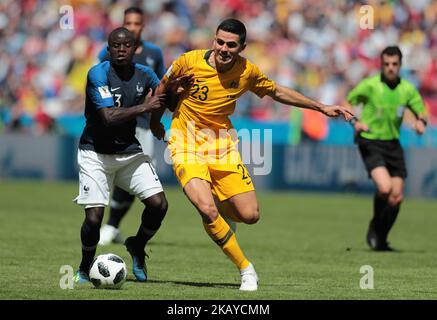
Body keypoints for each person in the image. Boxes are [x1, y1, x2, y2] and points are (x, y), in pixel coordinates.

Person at [151, 18, 354, 291]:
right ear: (214, 40)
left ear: (242, 47)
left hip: (221, 144)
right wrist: (155, 121)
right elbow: (162, 88)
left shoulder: (247, 72)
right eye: (219, 41)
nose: (223, 48)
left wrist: (320, 106)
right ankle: (246, 269)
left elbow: (277, 92)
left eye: (231, 45)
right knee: (207, 209)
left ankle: (219, 213)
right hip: (184, 141)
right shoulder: (188, 61)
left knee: (250, 215)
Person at [72, 27, 189, 283]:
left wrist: (177, 93)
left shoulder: (145, 74)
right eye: (116, 45)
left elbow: (164, 99)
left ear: (135, 48)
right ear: (109, 47)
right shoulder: (98, 74)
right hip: (95, 153)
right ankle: (84, 266)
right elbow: (108, 117)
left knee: (159, 204)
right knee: (94, 218)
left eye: (126, 46)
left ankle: (137, 244)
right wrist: (144, 107)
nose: (121, 50)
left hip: (128, 151)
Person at [346, 46, 427, 251]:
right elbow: (348, 101)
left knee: (397, 196)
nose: (390, 68)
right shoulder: (370, 85)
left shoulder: (407, 89)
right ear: (381, 64)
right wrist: (355, 121)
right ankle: (374, 227)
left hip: (393, 144)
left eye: (394, 64)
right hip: (371, 141)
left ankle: (380, 237)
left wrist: (421, 123)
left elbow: (421, 110)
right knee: (385, 188)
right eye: (387, 64)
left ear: (400, 65)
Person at [97, 6, 166, 246]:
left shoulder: (154, 53)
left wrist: (156, 120)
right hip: (116, 123)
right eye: (129, 23)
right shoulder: (108, 54)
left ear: (143, 25)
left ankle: (112, 225)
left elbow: (160, 90)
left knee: (136, 177)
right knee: (116, 176)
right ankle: (110, 225)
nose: (133, 27)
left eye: (137, 23)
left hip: (144, 126)